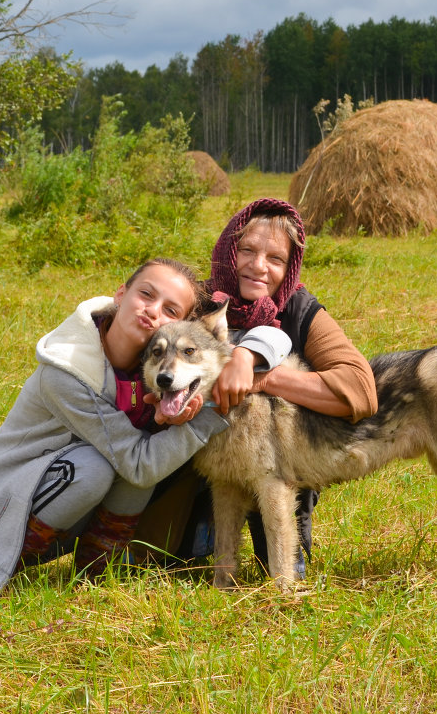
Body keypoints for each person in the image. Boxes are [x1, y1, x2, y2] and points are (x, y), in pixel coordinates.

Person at [0, 258, 289, 602]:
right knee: (107, 465)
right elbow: (139, 465)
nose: (153, 311)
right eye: (146, 294)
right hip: (0, 513)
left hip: (62, 505)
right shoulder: (68, 370)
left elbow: (276, 336)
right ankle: (1, 565)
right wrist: (213, 411)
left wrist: (245, 355)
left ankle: (95, 570)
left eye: (170, 309)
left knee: (132, 456)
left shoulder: (154, 363)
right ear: (120, 294)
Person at [134, 199, 377, 575]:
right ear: (229, 250)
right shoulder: (194, 303)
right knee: (171, 554)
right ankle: (197, 537)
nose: (258, 266)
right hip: (195, 466)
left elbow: (361, 391)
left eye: (275, 259)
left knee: (273, 560)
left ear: (290, 267)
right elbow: (141, 331)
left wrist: (258, 373)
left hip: (276, 456)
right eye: (247, 250)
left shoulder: (299, 309)